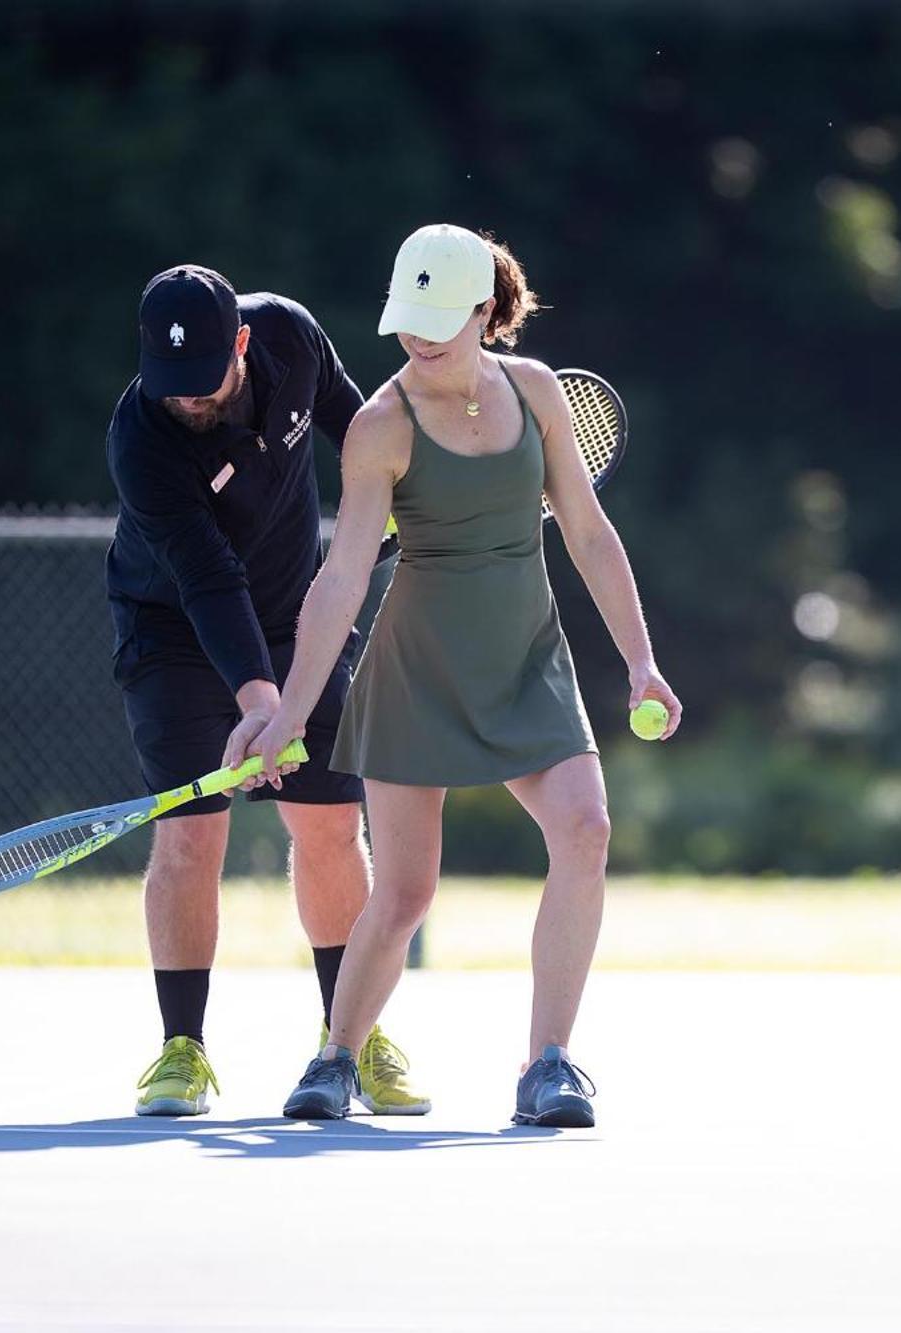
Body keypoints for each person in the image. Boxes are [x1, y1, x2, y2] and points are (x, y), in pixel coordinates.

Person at [223, 224, 681, 1127]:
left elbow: (587, 533)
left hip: (527, 661)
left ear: (486, 311)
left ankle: (548, 1064)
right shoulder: (379, 427)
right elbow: (344, 575)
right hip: (417, 668)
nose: (420, 339)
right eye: (409, 320)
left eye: (441, 319)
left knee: (586, 829)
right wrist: (289, 716)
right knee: (402, 894)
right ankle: (336, 1057)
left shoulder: (539, 393)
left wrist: (641, 662)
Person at [105, 264, 426, 1117]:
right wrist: (258, 704)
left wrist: (407, 507)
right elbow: (207, 578)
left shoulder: (289, 334)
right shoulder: (141, 435)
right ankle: (182, 1049)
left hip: (298, 619)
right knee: (189, 834)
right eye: (169, 382)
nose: (187, 399)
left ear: (242, 343)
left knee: (328, 825)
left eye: (203, 380)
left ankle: (347, 1043)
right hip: (171, 628)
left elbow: (360, 431)